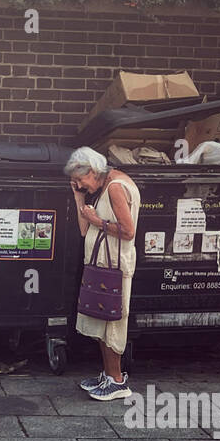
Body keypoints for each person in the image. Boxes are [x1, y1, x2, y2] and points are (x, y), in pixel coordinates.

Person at [64, 146, 140, 401]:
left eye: (79, 178)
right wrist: (79, 199)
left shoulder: (115, 187)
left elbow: (128, 232)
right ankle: (108, 375)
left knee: (113, 323)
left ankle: (117, 381)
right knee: (101, 319)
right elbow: (85, 230)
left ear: (93, 170)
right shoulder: (103, 185)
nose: (78, 184)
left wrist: (97, 221)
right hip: (102, 263)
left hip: (114, 265)